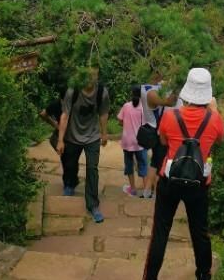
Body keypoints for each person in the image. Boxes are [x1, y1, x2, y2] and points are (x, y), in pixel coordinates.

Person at [142, 67, 224, 280]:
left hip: (170, 182)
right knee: (200, 232)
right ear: (207, 93)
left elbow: (163, 141)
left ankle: (150, 277)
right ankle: (204, 274)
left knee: (160, 231)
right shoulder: (214, 120)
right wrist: (214, 111)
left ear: (187, 91)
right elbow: (221, 140)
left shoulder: (170, 116)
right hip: (199, 184)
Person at [56, 66, 109, 223]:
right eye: (87, 75)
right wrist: (60, 139)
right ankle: (69, 184)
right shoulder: (73, 91)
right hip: (72, 135)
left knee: (92, 168)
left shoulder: (102, 93)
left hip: (92, 136)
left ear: (97, 75)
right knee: (70, 164)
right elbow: (64, 115)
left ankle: (92, 204)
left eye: (94, 75)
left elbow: (104, 113)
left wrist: (104, 132)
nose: (90, 78)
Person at [140, 80, 178, 199]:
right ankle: (157, 193)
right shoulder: (151, 92)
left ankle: (146, 191)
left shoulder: (146, 87)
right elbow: (170, 102)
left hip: (155, 131)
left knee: (155, 162)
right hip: (159, 132)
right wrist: (179, 84)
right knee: (160, 163)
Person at [117, 85, 148, 197]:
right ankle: (146, 191)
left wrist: (126, 124)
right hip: (140, 142)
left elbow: (120, 121)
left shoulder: (126, 106)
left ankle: (133, 189)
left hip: (127, 141)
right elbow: (146, 124)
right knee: (143, 165)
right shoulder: (144, 108)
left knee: (129, 165)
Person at [38, 88, 66, 183]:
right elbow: (43, 114)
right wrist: (54, 124)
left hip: (74, 132)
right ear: (61, 99)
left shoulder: (76, 105)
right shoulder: (55, 104)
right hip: (61, 131)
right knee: (56, 142)